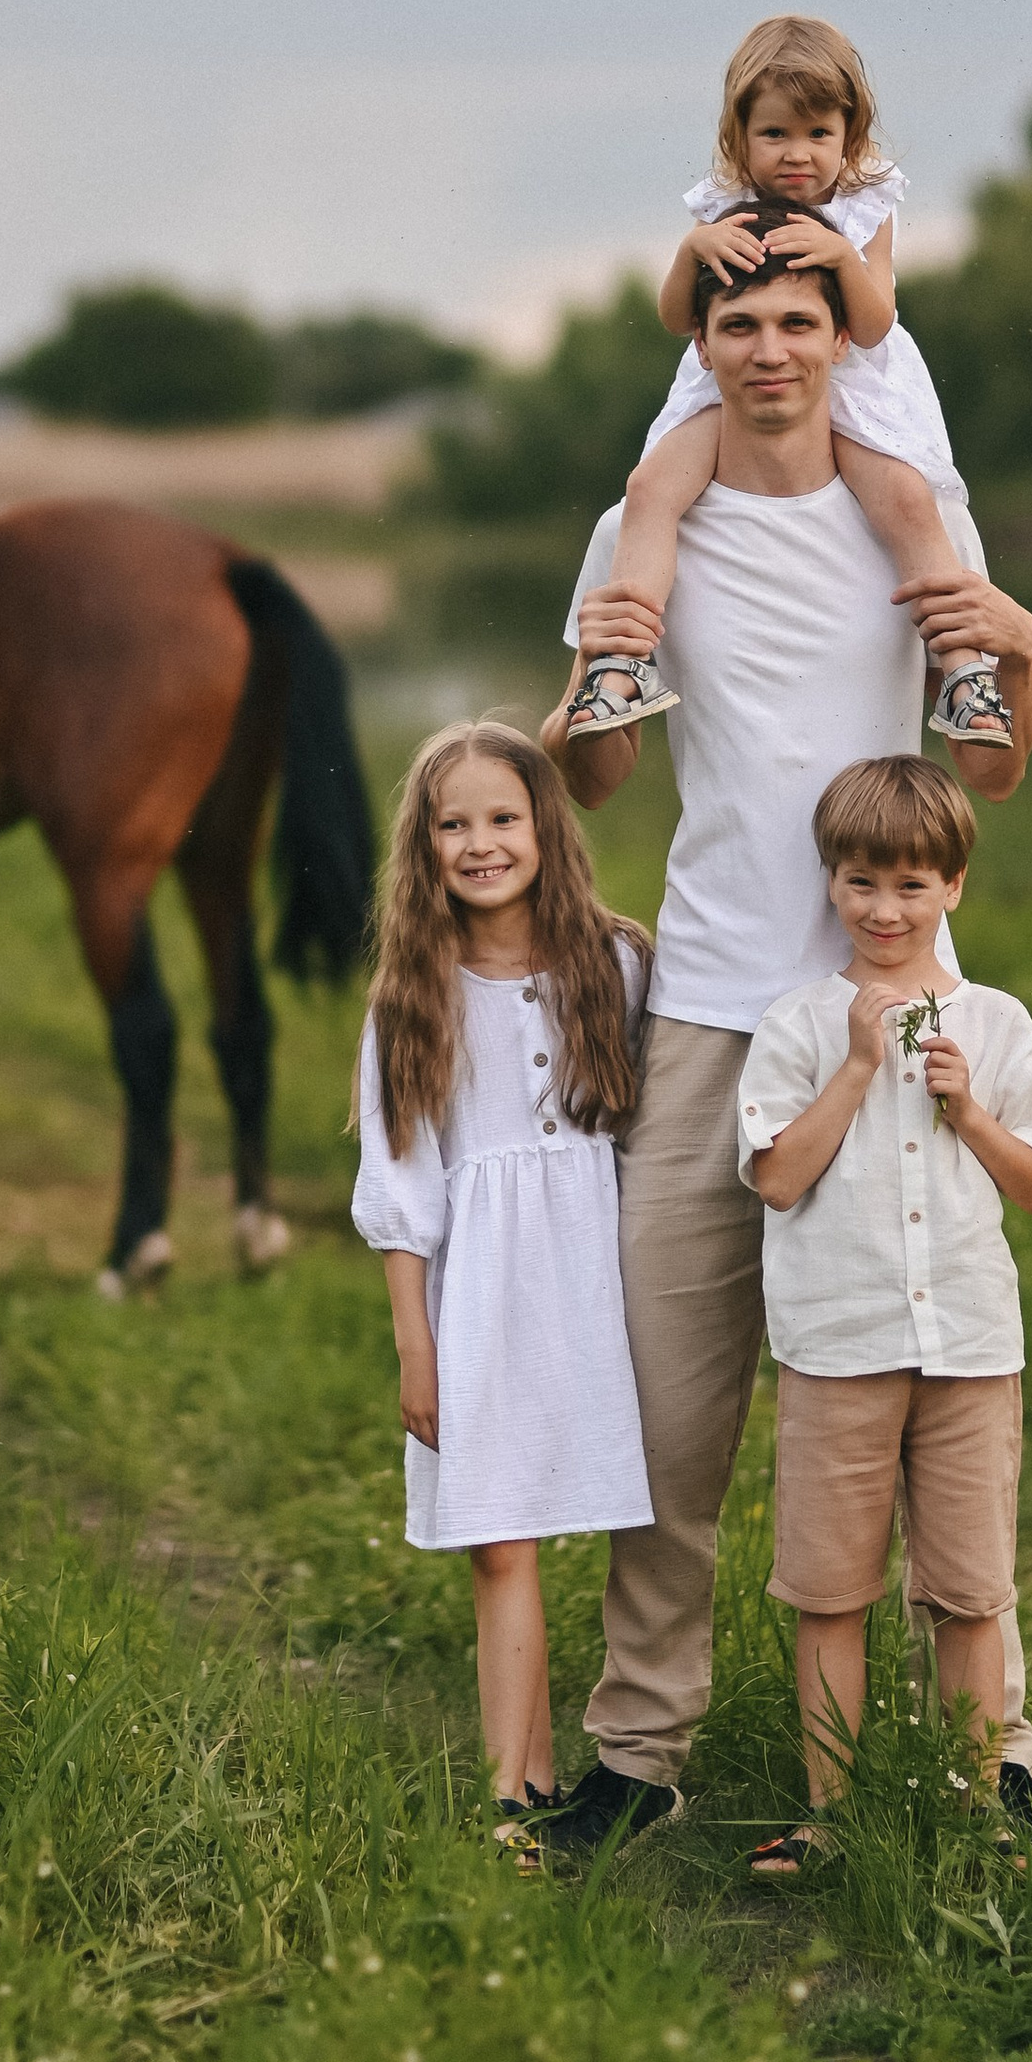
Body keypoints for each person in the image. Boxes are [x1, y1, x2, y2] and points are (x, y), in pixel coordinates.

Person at [537, 223, 1032, 1869]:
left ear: (842, 340)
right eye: (739, 321)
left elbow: (994, 770)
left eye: (798, 320)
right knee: (669, 1411)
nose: (769, 348)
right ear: (704, 344)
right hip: (706, 1012)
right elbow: (595, 780)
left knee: (934, 1397)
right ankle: (638, 1751)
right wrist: (582, 695)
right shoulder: (646, 521)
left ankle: (995, 1755)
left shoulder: (911, 507)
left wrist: (1021, 649)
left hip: (886, 1015)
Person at [736, 756, 1032, 1875]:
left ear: (953, 887)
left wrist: (966, 1107)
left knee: (970, 1591)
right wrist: (855, 1066)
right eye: (861, 882)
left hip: (968, 1347)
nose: (885, 909)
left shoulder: (997, 1022)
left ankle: (978, 1808)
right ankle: (831, 1816)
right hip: (838, 1348)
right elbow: (777, 1178)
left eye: (911, 885)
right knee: (829, 1590)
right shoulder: (796, 1025)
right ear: (831, 883)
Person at [351, 720, 656, 1863]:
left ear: (544, 827)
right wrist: (415, 1344)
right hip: (477, 1290)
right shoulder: (411, 995)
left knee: (615, 1519)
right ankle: (515, 1791)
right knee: (497, 1537)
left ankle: (600, 1762)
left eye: (501, 818)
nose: (480, 843)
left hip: (594, 1280)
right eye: (453, 823)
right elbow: (399, 1182)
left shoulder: (615, 963)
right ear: (424, 846)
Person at [561, 14, 1011, 753]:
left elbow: (872, 325)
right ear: (739, 137)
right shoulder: (719, 208)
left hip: (853, 390)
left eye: (818, 134)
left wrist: (840, 258)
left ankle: (965, 675)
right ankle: (621, 661)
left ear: (849, 136)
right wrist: (692, 251)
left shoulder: (865, 209)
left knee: (907, 500)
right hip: (727, 394)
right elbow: (678, 318)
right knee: (649, 489)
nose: (797, 154)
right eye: (774, 133)